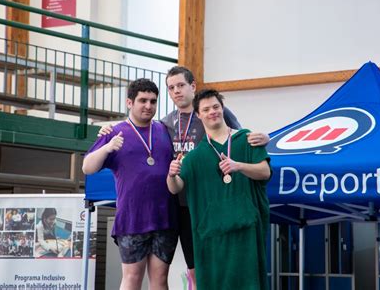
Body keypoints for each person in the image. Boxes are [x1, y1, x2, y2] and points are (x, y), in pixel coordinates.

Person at [98, 66, 269, 289]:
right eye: (171, 88)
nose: (177, 91)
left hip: (200, 204)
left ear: (193, 86)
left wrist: (266, 137)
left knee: (197, 269)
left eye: (181, 85)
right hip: (168, 204)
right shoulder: (163, 124)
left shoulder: (213, 110)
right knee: (156, 274)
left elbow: (240, 137)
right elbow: (136, 130)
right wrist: (107, 129)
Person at [167, 89, 271, 290]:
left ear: (222, 108)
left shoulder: (247, 139)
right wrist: (171, 175)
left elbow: (265, 172)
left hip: (245, 230)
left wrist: (238, 166)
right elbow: (175, 188)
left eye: (215, 107)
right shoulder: (195, 156)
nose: (212, 112)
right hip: (213, 236)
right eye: (206, 109)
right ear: (198, 115)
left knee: (248, 283)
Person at [83, 78, 178, 290]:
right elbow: (87, 167)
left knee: (160, 279)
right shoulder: (114, 132)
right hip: (132, 218)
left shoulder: (164, 130)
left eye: (153, 101)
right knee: (132, 278)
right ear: (129, 103)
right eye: (142, 100)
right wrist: (107, 148)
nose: (148, 106)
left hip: (165, 217)